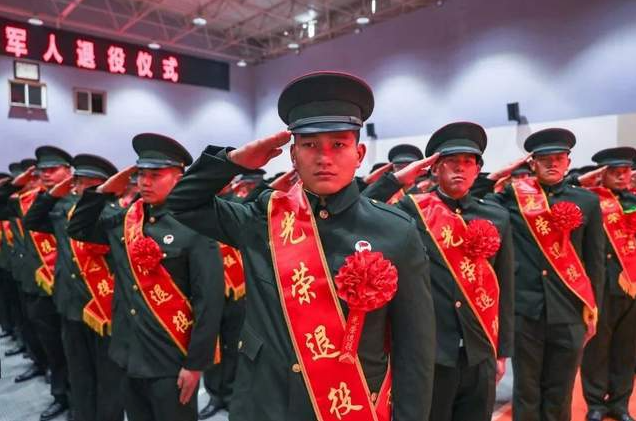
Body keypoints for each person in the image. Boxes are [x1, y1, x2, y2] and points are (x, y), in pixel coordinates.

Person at [167, 71, 435, 421]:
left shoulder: (395, 231)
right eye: (310, 145)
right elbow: (182, 203)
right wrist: (233, 162)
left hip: (349, 404)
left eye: (338, 144)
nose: (324, 157)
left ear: (359, 153)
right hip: (264, 404)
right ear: (293, 155)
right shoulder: (263, 218)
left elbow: (414, 347)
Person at [67, 134, 225, 421]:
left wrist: (195, 365)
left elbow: (209, 302)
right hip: (127, 353)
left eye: (155, 175)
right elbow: (78, 229)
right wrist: (102, 191)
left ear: (178, 178)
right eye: (141, 174)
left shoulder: (195, 225)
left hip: (170, 359)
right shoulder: (126, 220)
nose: (145, 182)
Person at [363, 122, 514, 420]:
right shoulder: (412, 209)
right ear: (434, 168)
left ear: (477, 170)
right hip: (432, 350)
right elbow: (364, 209)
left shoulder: (496, 215)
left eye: (468, 162)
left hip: (480, 346)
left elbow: (505, 284)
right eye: (451, 161)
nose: (460, 168)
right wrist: (396, 180)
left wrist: (502, 350)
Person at [485, 128, 604, 421]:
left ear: (568, 162)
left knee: (560, 390)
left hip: (570, 309)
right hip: (526, 308)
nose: (552, 163)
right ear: (532, 163)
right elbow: (477, 202)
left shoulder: (586, 201)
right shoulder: (512, 197)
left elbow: (594, 261)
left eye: (559, 158)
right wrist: (495, 176)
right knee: (526, 389)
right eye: (545, 158)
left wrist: (594, 309)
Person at [24, 154, 124, 421]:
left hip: (103, 307)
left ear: (104, 186)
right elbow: (32, 221)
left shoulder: (116, 214)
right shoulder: (63, 210)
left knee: (109, 377)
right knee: (79, 372)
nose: (82, 188)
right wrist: (52, 194)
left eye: (90, 184)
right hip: (70, 304)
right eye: (79, 182)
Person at [9, 147, 73, 421]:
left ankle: (77, 401)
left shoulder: (80, 201)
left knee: (73, 353)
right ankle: (61, 396)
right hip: (40, 285)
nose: (46, 175)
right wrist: (18, 183)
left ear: (68, 171)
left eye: (52, 170)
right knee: (53, 348)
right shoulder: (34, 203)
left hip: (73, 291)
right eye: (42, 171)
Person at [580, 147, 636, 421]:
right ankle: (595, 403)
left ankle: (620, 403)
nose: (622, 176)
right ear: (602, 174)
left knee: (627, 347)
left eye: (626, 171)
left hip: (632, 285)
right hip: (602, 283)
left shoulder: (634, 200)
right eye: (615, 172)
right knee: (597, 347)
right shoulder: (590, 200)